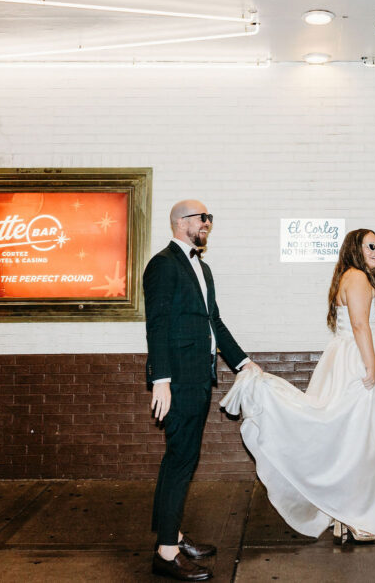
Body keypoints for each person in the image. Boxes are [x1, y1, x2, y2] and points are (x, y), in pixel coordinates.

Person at [220, 228, 375, 545]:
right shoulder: (358, 277)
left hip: (347, 359)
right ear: (355, 248)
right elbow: (360, 325)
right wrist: (371, 365)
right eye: (370, 245)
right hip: (358, 362)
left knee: (350, 439)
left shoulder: (349, 277)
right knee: (358, 441)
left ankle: (343, 514)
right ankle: (352, 515)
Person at [146, 199, 261, 582]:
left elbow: (214, 322)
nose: (208, 222)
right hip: (178, 380)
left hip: (198, 377)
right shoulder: (163, 265)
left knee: (180, 459)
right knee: (181, 460)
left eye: (210, 217)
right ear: (181, 222)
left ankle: (173, 536)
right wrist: (161, 380)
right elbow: (157, 324)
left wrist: (243, 362)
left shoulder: (202, 268)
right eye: (202, 217)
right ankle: (166, 553)